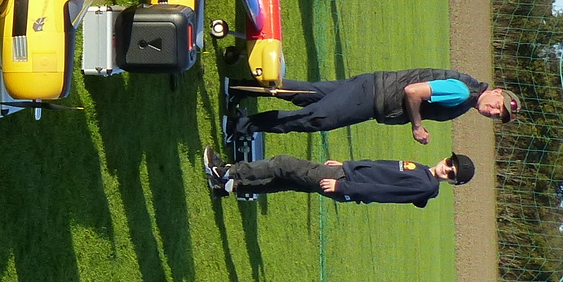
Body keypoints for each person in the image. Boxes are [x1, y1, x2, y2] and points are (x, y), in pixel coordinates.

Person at [230, 67, 518, 143]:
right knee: (316, 118)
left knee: (310, 93)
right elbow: (413, 91)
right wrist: (417, 126)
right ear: (496, 91)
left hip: (372, 86)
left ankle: (240, 87)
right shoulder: (462, 92)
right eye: (498, 106)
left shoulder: (467, 93)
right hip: (372, 98)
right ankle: (243, 125)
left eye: (498, 116)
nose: (493, 112)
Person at [202, 148, 474, 205]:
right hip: (346, 173)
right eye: (450, 163)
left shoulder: (425, 186)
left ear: (453, 182)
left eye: (452, 173)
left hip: (344, 182)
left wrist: (343, 186)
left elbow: (380, 192)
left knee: (285, 164)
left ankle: (223, 172)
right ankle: (229, 187)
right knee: (288, 181)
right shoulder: (424, 171)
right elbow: (378, 167)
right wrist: (348, 164)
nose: (447, 168)